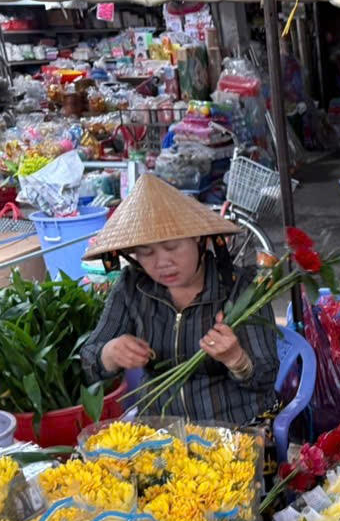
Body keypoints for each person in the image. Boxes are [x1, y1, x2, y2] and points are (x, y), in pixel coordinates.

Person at [80, 175, 279, 425]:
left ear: (198, 238)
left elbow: (266, 377)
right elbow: (88, 361)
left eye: (172, 246)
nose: (162, 262)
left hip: (235, 428)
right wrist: (109, 354)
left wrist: (236, 359)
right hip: (161, 433)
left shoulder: (241, 287)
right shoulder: (132, 286)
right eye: (146, 252)